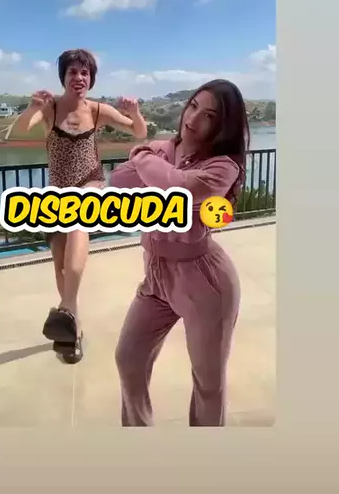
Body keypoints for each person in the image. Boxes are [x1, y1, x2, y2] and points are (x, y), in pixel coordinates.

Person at [109, 79, 249, 426]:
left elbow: (179, 187)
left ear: (223, 126)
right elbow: (120, 181)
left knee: (208, 383)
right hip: (156, 277)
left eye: (209, 115)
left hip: (204, 282)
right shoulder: (165, 150)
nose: (194, 118)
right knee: (129, 358)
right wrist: (155, 165)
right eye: (194, 106)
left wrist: (143, 155)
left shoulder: (223, 166)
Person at [16, 49, 147, 364]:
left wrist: (135, 112)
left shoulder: (98, 110)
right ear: (63, 77)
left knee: (77, 222)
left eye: (85, 72)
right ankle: (71, 324)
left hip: (90, 185)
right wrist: (32, 108)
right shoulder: (50, 108)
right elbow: (18, 132)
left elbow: (138, 132)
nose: (79, 77)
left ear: (92, 78)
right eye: (72, 72)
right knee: (60, 265)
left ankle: (66, 310)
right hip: (57, 194)